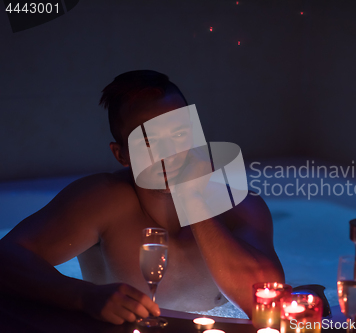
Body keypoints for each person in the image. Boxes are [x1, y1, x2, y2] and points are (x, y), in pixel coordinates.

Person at [0, 70, 285, 324]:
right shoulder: (103, 202)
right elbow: (7, 257)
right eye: (148, 140)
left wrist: (194, 198)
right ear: (121, 154)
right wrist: (84, 296)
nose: (169, 153)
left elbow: (266, 302)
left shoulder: (240, 206)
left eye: (179, 134)